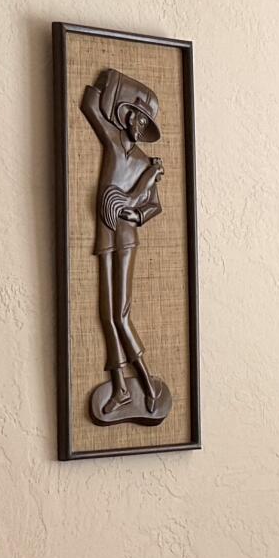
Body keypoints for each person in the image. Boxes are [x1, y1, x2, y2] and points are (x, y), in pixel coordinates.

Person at [78, 66, 170, 425]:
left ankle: (147, 385)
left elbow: (154, 206)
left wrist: (136, 215)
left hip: (125, 236)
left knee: (121, 314)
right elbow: (90, 102)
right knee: (105, 314)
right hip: (104, 233)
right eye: (135, 115)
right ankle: (119, 389)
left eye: (144, 121)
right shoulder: (114, 144)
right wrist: (118, 85)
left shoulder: (146, 164)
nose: (138, 123)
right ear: (127, 115)